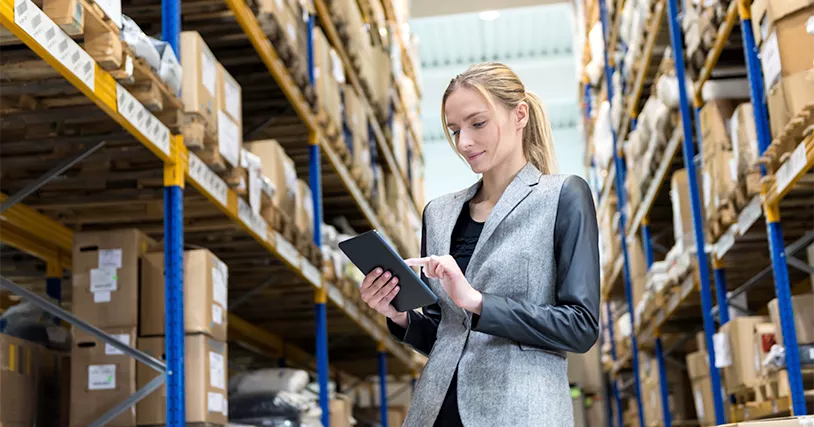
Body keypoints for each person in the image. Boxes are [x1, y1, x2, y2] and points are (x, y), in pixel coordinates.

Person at [359, 62, 600, 426]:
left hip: (522, 411)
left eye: (478, 123)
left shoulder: (563, 196)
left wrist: (477, 302)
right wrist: (401, 316)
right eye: (454, 130)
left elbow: (580, 327)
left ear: (520, 115)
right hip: (436, 411)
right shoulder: (438, 213)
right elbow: (447, 336)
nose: (464, 142)